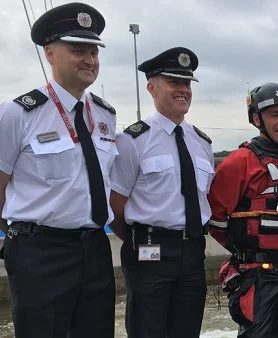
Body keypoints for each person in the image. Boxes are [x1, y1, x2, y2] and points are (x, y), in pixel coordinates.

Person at [0, 3, 116, 337]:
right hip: (40, 252)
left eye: (93, 52)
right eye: (77, 50)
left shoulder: (105, 115)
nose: (89, 60)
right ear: (50, 53)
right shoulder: (19, 113)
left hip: (95, 247)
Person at [109, 47, 214, 337]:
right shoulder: (133, 140)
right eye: (174, 82)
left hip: (193, 251)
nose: (183, 90)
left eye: (187, 83)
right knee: (147, 330)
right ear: (152, 88)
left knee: (187, 330)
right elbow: (115, 206)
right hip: (149, 250)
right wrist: (141, 238)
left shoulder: (202, 143)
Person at [207, 82, 278, 337]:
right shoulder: (238, 163)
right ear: (256, 119)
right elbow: (216, 221)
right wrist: (249, 248)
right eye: (275, 114)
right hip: (258, 275)